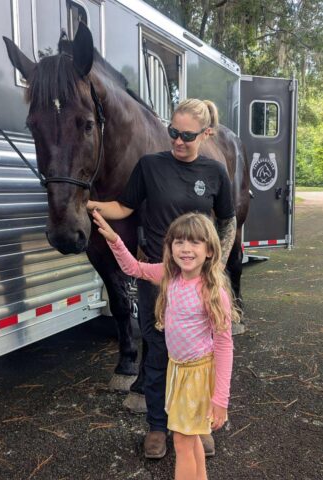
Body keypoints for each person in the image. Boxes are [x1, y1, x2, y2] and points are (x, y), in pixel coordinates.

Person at [87, 99, 237, 458]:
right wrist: (88, 205)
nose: (178, 141)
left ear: (206, 133)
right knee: (157, 353)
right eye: (173, 132)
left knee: (201, 357)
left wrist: (216, 269)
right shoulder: (150, 166)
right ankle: (157, 426)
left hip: (199, 281)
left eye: (187, 135)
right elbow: (123, 208)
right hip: (157, 277)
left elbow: (226, 222)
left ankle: (197, 424)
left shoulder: (215, 172)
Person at [93, 210, 237, 480]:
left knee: (182, 442)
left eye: (194, 242)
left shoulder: (211, 290)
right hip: (178, 371)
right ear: (170, 247)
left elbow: (224, 346)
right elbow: (133, 267)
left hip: (198, 375)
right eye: (179, 241)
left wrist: (220, 399)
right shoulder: (169, 276)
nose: (185, 248)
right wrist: (114, 239)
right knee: (191, 439)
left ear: (209, 250)